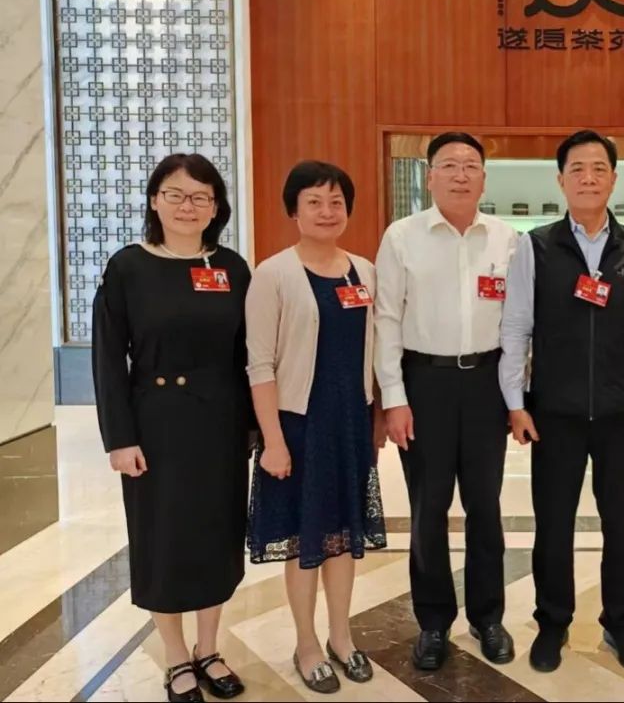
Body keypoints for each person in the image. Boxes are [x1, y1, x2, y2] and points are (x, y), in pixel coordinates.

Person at [500, 129, 624, 673]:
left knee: (621, 526)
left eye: (599, 168)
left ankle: (620, 624)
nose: (588, 178)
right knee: (553, 525)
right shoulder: (535, 247)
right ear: (560, 180)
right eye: (577, 169)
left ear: (613, 179)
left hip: (623, 415)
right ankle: (552, 622)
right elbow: (516, 327)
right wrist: (515, 402)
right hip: (554, 412)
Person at [92, 153, 251, 703]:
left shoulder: (231, 267)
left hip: (221, 424)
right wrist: (120, 438)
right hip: (155, 425)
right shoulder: (129, 267)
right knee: (162, 538)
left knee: (217, 535)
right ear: (155, 201)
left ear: (216, 208)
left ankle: (209, 647)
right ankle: (176, 655)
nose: (189, 206)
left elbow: (248, 354)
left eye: (201, 196)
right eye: (176, 194)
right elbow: (108, 358)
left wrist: (255, 427)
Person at [375, 132, 518, 670]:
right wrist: (394, 397)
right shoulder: (402, 236)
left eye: (471, 165)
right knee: (428, 508)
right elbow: (386, 319)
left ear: (484, 178)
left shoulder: (507, 239)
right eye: (449, 165)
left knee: (485, 506)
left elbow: (519, 323)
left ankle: (488, 616)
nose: (461, 174)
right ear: (430, 175)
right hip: (424, 384)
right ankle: (433, 622)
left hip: (486, 384)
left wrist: (515, 396)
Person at [246, 161, 387, 693]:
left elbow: (374, 351)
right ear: (294, 210)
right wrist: (273, 441)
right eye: (314, 202)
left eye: (336, 202)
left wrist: (376, 418)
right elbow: (260, 365)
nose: (327, 212)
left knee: (344, 536)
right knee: (307, 540)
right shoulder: (274, 274)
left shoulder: (364, 270)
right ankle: (306, 644)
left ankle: (341, 637)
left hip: (350, 422)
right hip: (299, 426)